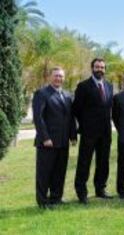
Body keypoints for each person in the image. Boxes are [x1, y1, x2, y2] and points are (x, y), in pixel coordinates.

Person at [32, 67, 77, 208]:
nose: (59, 78)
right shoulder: (42, 93)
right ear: (50, 77)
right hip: (47, 142)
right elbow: (38, 118)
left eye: (61, 76)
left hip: (63, 141)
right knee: (44, 173)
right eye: (56, 75)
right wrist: (45, 137)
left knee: (59, 171)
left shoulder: (67, 95)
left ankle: (56, 197)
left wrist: (73, 135)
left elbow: (70, 117)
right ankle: (42, 201)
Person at [73, 58, 114, 204]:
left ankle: (100, 189)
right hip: (89, 132)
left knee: (103, 162)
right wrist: (86, 124)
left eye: (102, 67)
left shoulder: (109, 86)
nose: (100, 70)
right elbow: (76, 109)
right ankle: (81, 193)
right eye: (97, 67)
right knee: (84, 162)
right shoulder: (83, 86)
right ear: (92, 68)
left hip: (105, 132)